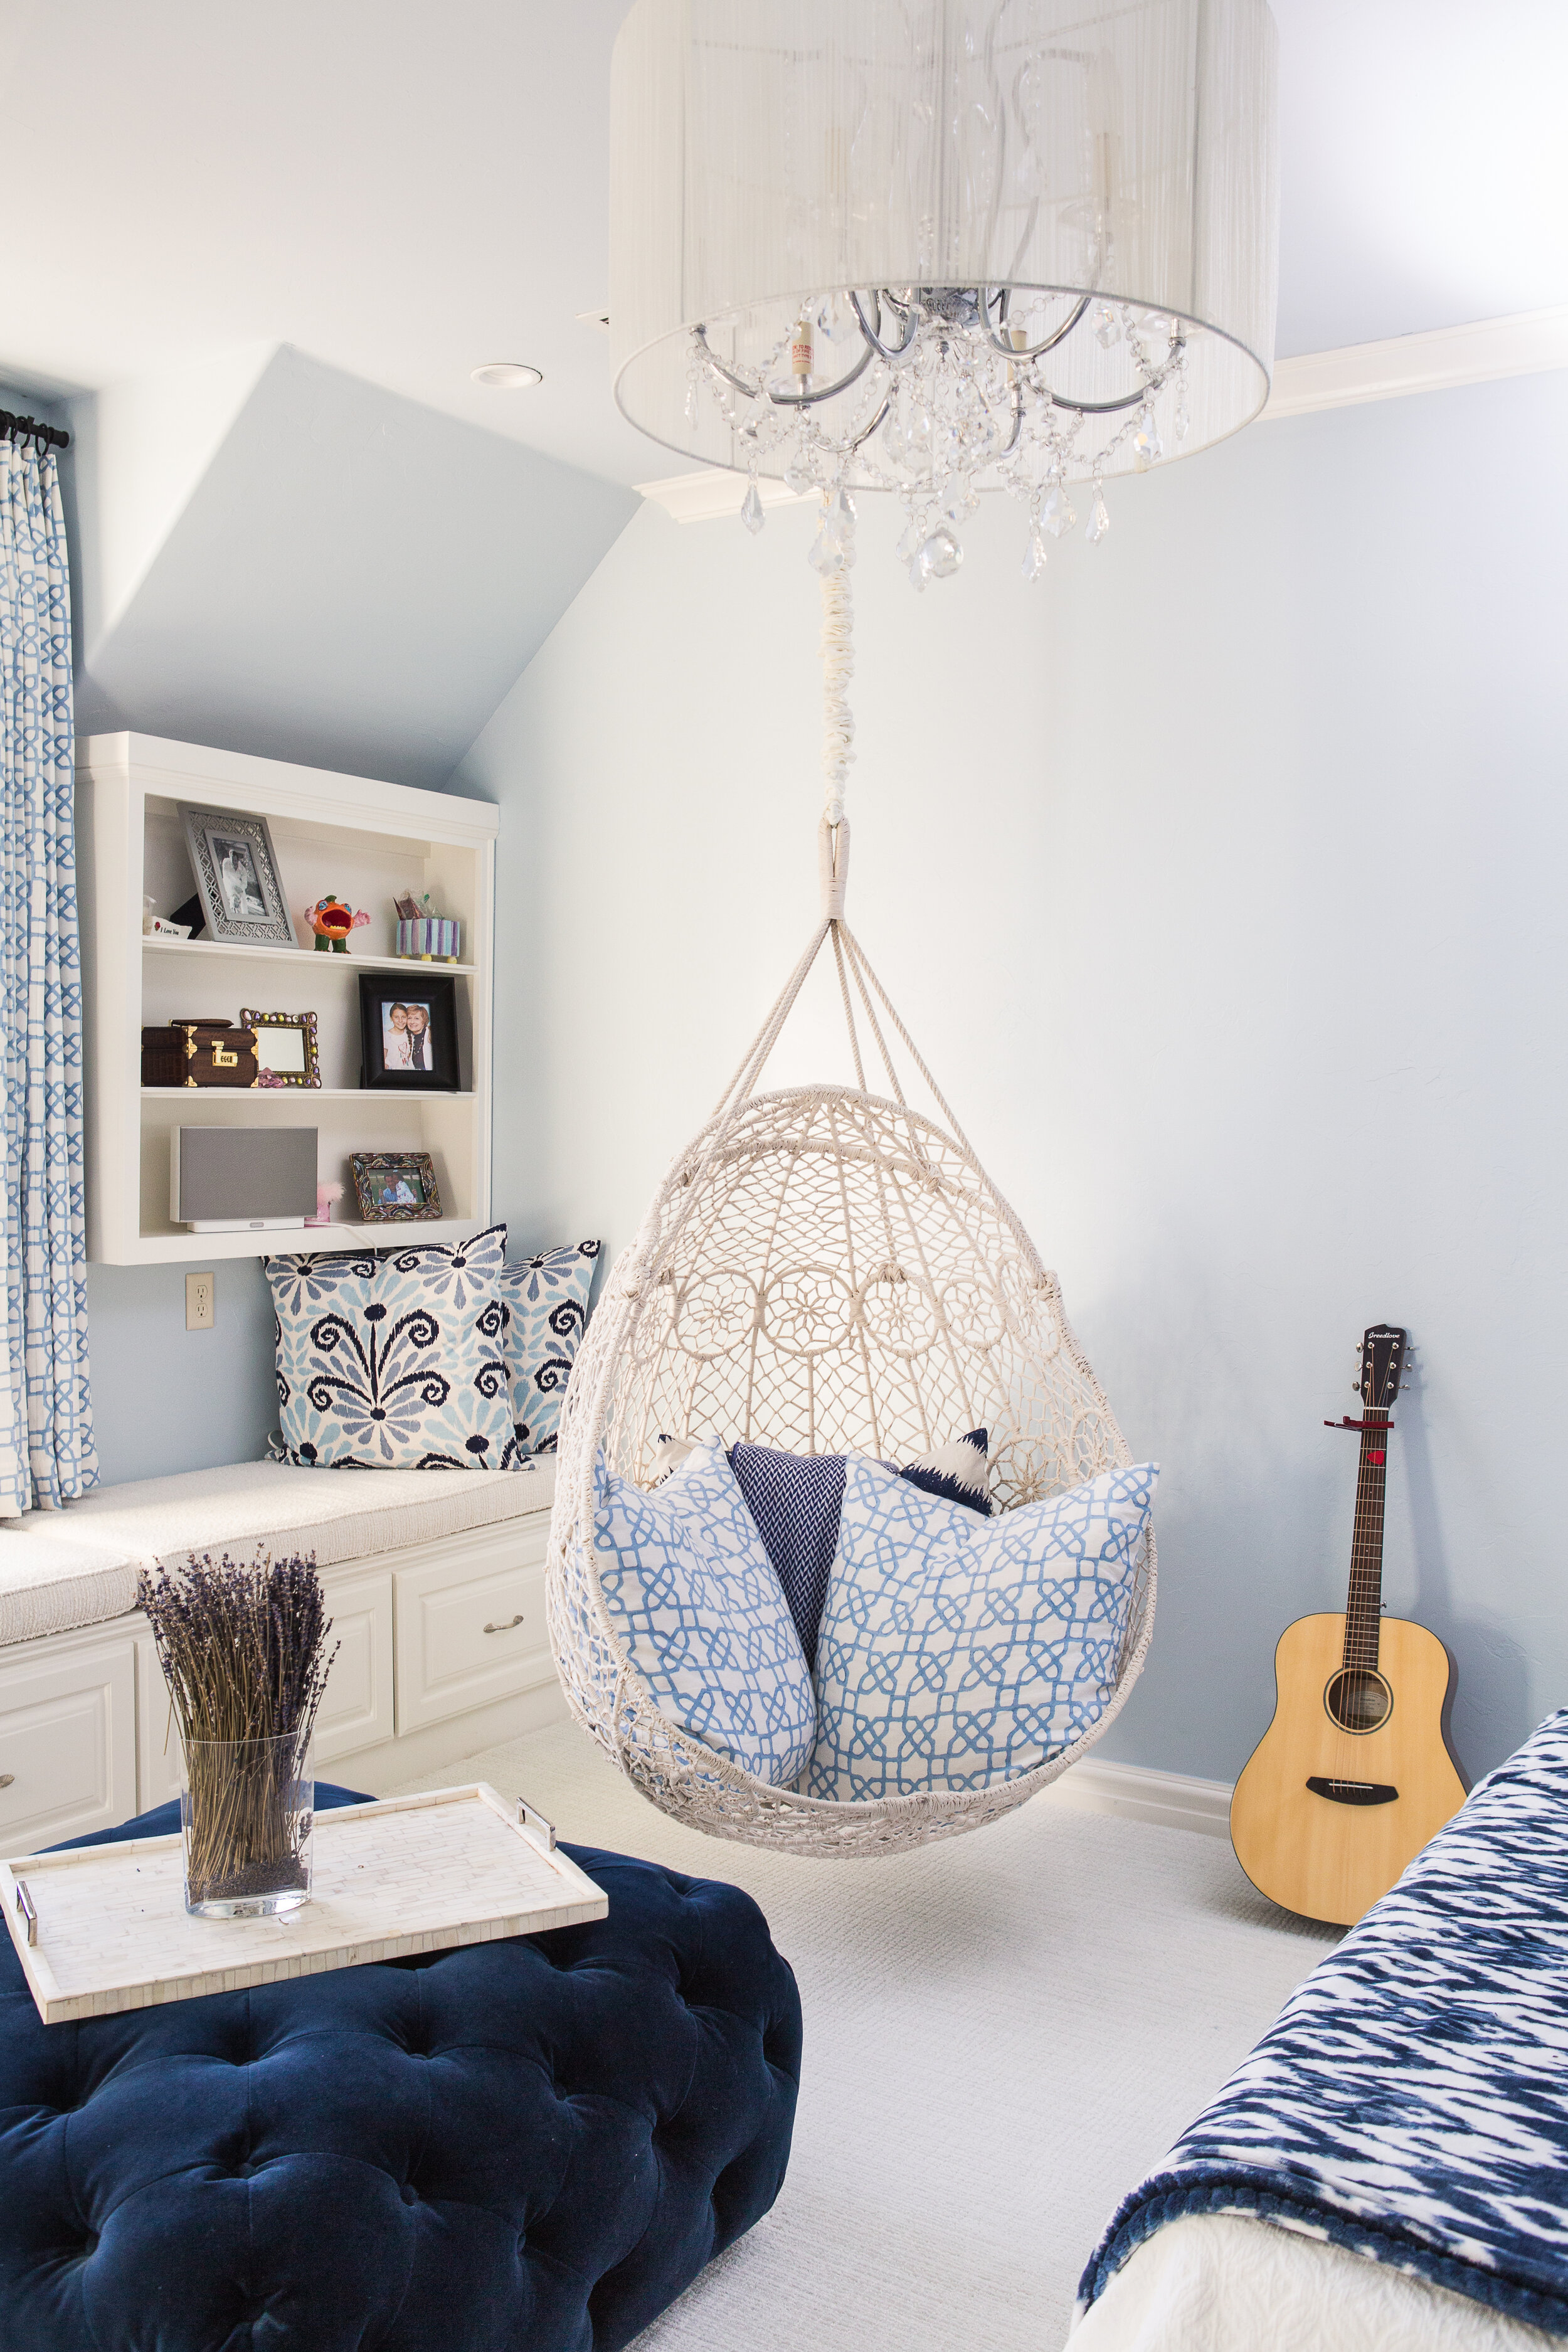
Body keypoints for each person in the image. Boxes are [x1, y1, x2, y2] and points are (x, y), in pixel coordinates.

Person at [403, 1003, 432, 1073]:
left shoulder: (430, 1033)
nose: (412, 1022)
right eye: (409, 1018)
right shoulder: (408, 1037)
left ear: (424, 1021)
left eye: (417, 1018)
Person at [383, 1004, 412, 1068]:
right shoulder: (386, 1036)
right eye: (396, 1017)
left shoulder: (411, 1033)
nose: (400, 1020)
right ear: (391, 1018)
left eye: (403, 1017)